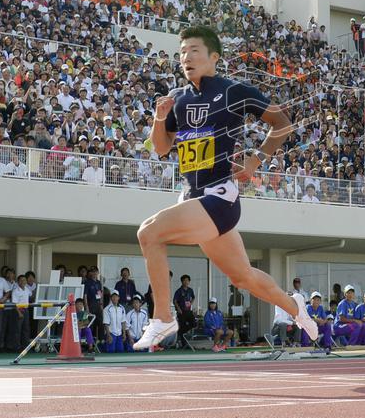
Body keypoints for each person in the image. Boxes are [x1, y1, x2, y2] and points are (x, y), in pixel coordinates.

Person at [133, 26, 317, 349]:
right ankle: (295, 307)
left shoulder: (234, 91)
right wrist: (159, 119)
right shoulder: (177, 99)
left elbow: (282, 123)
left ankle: (162, 317)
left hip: (219, 197)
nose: (186, 58)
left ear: (214, 57)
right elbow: (161, 148)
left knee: (149, 233)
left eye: (193, 51)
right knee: (243, 276)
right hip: (192, 197)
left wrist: (255, 161)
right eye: (181, 53)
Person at [173, 275, 196, 345]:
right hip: (181, 311)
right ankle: (183, 343)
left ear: (189, 281)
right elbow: (175, 301)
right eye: (184, 280)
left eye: (187, 280)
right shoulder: (179, 291)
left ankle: (181, 332)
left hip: (188, 311)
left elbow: (193, 297)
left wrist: (191, 303)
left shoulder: (190, 290)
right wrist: (178, 309)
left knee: (194, 323)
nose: (186, 282)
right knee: (182, 325)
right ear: (182, 282)